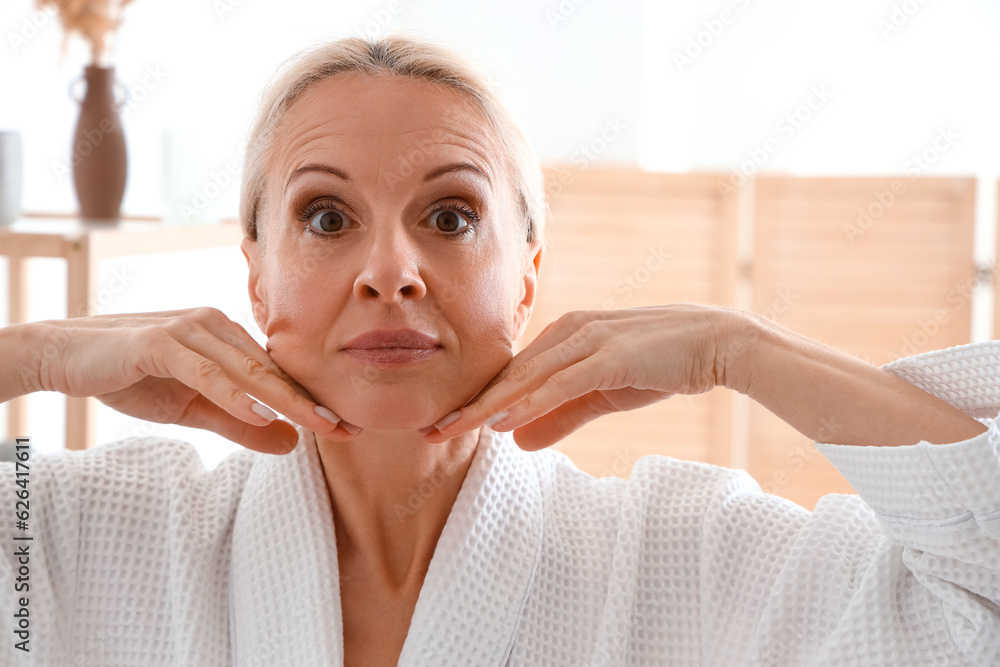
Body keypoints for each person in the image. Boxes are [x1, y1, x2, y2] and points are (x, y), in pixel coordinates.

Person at [1, 34, 998, 667]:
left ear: (526, 274)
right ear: (255, 273)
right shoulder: (98, 535)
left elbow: (979, 609)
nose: (389, 270)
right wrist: (33, 356)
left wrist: (743, 349)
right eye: (326, 215)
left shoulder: (678, 553)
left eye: (447, 213)